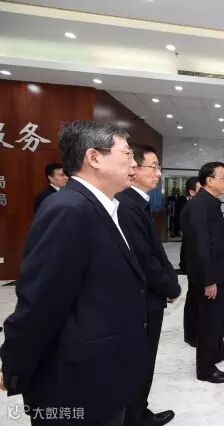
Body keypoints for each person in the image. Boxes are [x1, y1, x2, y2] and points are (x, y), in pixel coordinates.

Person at [0, 121, 147, 425]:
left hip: (103, 373)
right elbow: (40, 301)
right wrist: (14, 364)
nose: (134, 163)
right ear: (94, 157)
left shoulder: (104, 207)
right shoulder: (68, 209)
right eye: (127, 153)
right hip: (76, 382)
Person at [116, 145, 180, 426]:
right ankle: (136, 417)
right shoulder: (127, 206)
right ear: (133, 169)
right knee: (140, 361)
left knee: (142, 360)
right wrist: (170, 287)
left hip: (148, 295)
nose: (158, 173)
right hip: (142, 299)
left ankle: (137, 411)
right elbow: (144, 258)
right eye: (153, 166)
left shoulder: (136, 202)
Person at [181, 162, 224, 383]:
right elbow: (200, 246)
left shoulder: (210, 202)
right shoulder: (199, 206)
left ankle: (217, 351)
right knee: (209, 321)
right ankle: (205, 369)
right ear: (209, 180)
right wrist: (208, 280)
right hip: (211, 277)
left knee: (219, 317)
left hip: (220, 273)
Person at [180, 177, 201, 347]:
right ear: (192, 192)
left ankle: (195, 330)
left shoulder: (196, 206)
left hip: (196, 260)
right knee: (193, 298)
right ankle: (191, 334)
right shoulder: (189, 209)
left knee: (196, 297)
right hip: (193, 260)